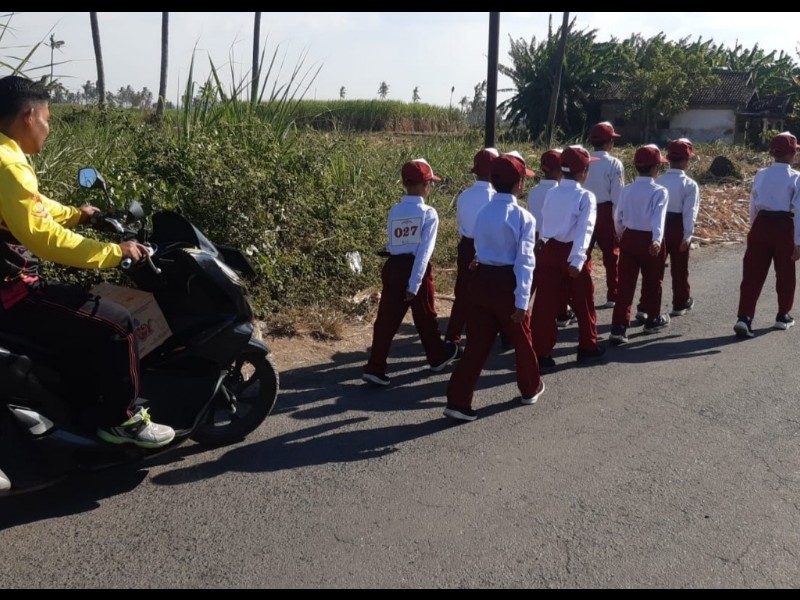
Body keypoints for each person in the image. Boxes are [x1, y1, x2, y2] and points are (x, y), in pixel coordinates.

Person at [0, 75, 175, 448]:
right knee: (118, 323)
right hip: (13, 293)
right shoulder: (9, 164)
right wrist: (114, 253)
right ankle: (123, 421)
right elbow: (43, 236)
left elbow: (32, 207)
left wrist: (77, 214)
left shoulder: (4, 156)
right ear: (29, 116)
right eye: (47, 118)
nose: (48, 128)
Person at [443, 152, 544, 422]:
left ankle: (458, 400)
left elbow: (478, 245)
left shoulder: (484, 211)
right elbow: (525, 261)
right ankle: (530, 387)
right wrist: (522, 300)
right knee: (522, 340)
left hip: (481, 280)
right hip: (507, 283)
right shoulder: (523, 217)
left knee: (477, 344)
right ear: (520, 183)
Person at [362, 158, 458, 386]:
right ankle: (437, 357)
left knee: (385, 320)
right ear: (426, 185)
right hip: (415, 269)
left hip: (393, 266)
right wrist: (414, 284)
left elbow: (393, 242)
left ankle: (375, 366)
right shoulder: (429, 213)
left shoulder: (395, 210)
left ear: (405, 184)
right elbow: (424, 251)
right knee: (426, 316)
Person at [531, 145, 605, 369]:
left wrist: (544, 240)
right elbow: (585, 229)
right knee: (583, 302)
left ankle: (541, 354)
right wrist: (578, 258)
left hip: (549, 248)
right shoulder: (585, 196)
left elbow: (546, 219)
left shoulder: (552, 192)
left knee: (545, 304)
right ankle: (588, 346)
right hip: (572, 251)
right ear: (583, 172)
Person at [733, 131, 800, 338]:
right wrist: (798, 242)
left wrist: (754, 228)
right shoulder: (796, 177)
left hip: (761, 223)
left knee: (752, 273)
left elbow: (753, 204)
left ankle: (745, 317)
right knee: (785, 273)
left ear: (772, 153)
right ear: (792, 154)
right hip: (785, 226)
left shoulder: (761, 174)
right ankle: (782, 315)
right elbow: (799, 211)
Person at [609, 144, 670, 345]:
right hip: (649, 239)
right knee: (653, 282)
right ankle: (652, 318)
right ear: (655, 168)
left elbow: (618, 216)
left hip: (629, 237)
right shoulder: (660, 191)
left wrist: (620, 234)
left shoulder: (626, 190)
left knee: (625, 284)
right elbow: (658, 218)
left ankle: (619, 327)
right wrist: (657, 239)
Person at [445, 147, 498, 352]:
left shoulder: (464, 195)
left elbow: (460, 222)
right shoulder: (495, 197)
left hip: (466, 245)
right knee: (492, 292)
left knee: (463, 293)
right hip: (487, 245)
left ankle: (453, 338)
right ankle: (491, 337)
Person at [526, 148, 575, 329]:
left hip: (534, 237)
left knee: (531, 278)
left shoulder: (533, 191)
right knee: (557, 280)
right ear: (560, 170)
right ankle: (561, 313)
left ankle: (521, 312)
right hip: (554, 239)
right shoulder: (561, 192)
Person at [655, 138, 700, 319]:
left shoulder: (658, 180)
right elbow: (690, 212)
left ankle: (647, 306)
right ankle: (680, 302)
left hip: (658, 224)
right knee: (680, 267)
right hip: (678, 225)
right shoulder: (689, 184)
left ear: (668, 159)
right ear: (686, 161)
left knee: (655, 268)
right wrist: (688, 235)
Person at [584, 121, 625, 309]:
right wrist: (619, 223)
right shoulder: (614, 163)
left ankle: (584, 295)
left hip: (584, 209)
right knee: (611, 255)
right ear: (609, 143)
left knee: (583, 253)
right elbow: (618, 196)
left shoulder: (584, 160)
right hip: (606, 211)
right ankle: (613, 294)